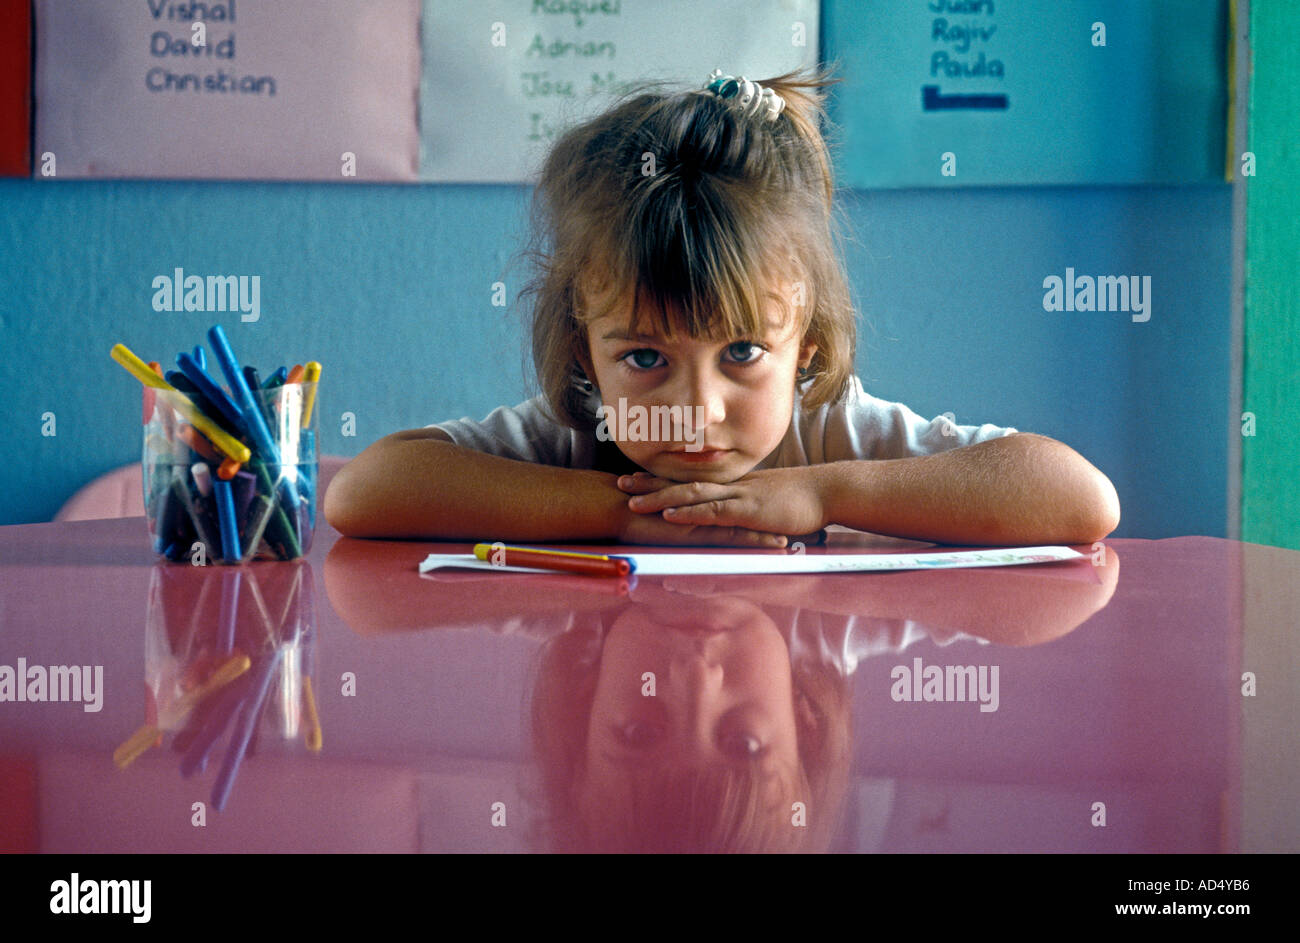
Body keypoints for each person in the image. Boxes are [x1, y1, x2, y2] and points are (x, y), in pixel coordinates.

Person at [325, 68, 1120, 547]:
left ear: (804, 342)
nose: (696, 409)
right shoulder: (581, 437)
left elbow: (1081, 498)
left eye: (742, 353)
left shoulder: (830, 432)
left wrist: (824, 493)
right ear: (583, 355)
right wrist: (621, 514)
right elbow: (365, 491)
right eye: (644, 358)